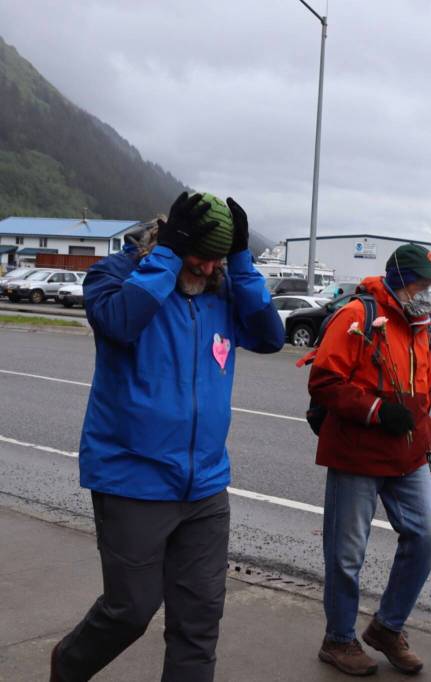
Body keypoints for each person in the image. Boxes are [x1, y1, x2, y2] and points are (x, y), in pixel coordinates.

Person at [50, 191, 285, 682]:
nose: (206, 267)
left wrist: (240, 260)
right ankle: (67, 668)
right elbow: (119, 322)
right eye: (199, 254)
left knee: (199, 625)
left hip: (204, 488)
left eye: (218, 257)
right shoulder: (114, 276)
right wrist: (168, 258)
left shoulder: (222, 288)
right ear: (172, 240)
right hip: (131, 479)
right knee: (129, 612)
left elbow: (269, 336)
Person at [309, 243, 431, 676]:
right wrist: (375, 410)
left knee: (426, 536)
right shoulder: (357, 315)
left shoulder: (418, 325)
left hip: (408, 455)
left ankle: (387, 627)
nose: (429, 292)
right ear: (402, 281)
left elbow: (421, 394)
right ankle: (338, 639)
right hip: (356, 453)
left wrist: (423, 440)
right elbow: (324, 379)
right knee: (346, 554)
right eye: (423, 284)